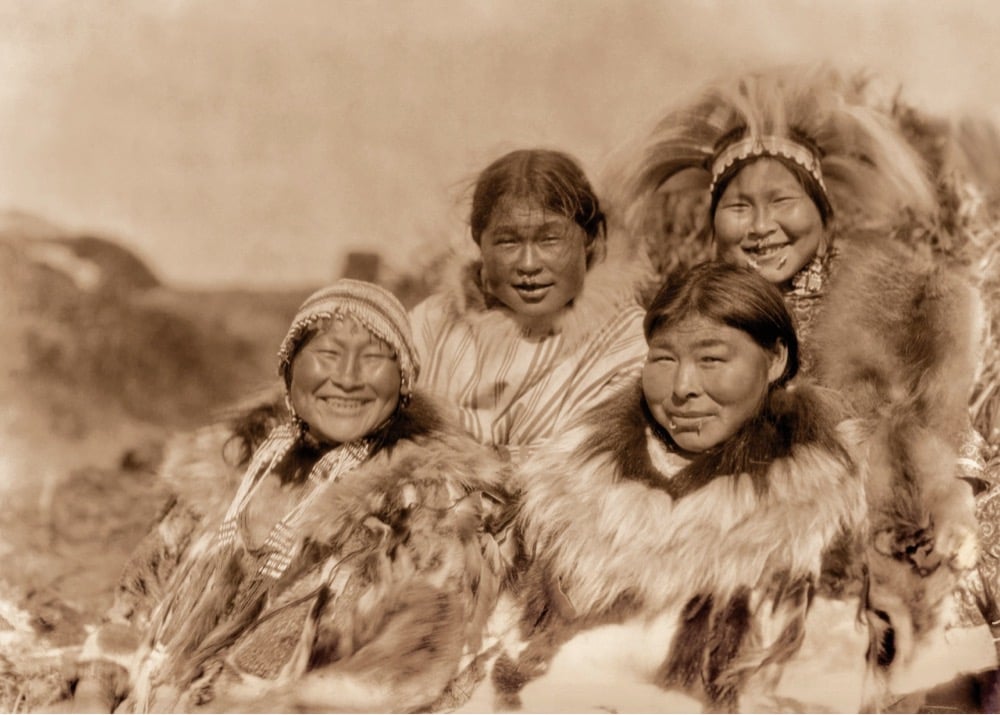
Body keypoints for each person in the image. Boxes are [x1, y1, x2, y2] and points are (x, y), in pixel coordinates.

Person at [617, 67, 994, 694]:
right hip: (748, 539)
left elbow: (941, 420)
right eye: (739, 207)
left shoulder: (898, 296)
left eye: (782, 203)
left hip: (885, 529)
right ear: (715, 222)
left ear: (820, 209)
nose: (761, 226)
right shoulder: (694, 309)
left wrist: (948, 501)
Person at [69, 279, 514, 713]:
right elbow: (136, 601)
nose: (348, 378)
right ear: (289, 368)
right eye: (328, 354)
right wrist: (94, 689)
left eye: (375, 358)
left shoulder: (429, 503)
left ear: (402, 382)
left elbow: (411, 662)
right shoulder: (226, 470)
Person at [482, 263, 884, 712]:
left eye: (712, 359)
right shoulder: (570, 483)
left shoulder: (822, 504)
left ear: (775, 360)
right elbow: (504, 642)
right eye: (664, 359)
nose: (683, 388)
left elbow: (824, 683)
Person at [409, 148, 650, 463]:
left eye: (550, 239)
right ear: (479, 241)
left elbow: (584, 460)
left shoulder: (629, 342)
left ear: (589, 238)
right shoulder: (431, 323)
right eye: (508, 241)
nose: (528, 264)